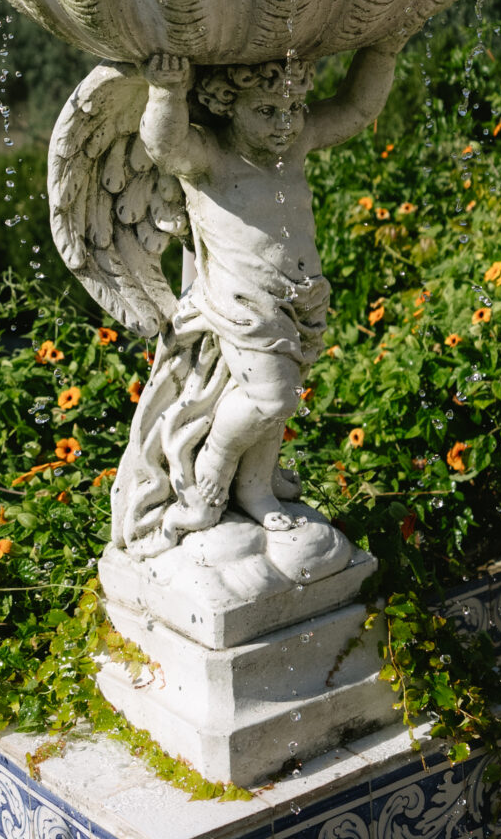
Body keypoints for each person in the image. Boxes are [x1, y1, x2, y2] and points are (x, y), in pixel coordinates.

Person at [111, 43, 400, 558]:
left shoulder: (294, 144)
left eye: (292, 109)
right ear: (226, 104)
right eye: (266, 112)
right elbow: (165, 145)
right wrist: (167, 91)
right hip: (244, 304)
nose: (284, 124)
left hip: (303, 298)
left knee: (276, 404)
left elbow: (356, 110)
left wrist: (383, 52)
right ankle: (207, 481)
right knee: (272, 397)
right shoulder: (212, 157)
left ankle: (255, 488)